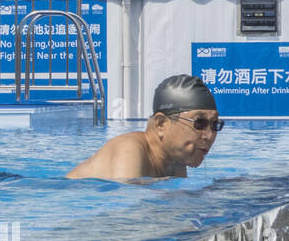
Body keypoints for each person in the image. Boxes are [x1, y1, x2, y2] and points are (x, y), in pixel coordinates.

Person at [68, 74, 223, 181]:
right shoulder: (129, 150)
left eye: (215, 125)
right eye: (200, 123)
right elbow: (127, 218)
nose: (209, 135)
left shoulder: (176, 163)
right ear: (161, 124)